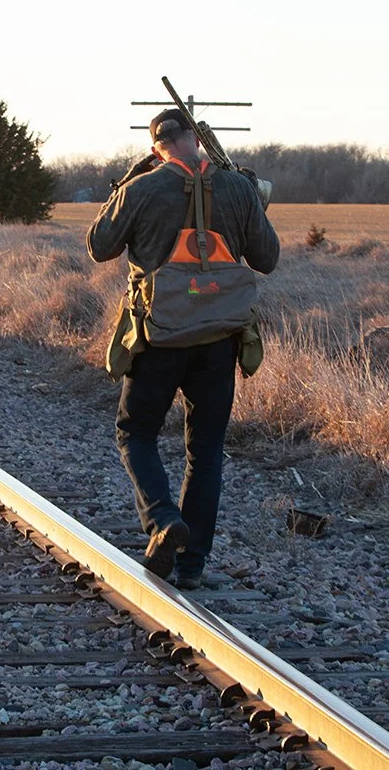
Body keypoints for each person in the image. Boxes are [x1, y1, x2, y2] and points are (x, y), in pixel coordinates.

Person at [86, 108, 279, 589]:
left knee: (135, 432)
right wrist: (252, 201)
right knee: (206, 450)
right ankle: (191, 567)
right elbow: (267, 259)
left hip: (159, 335)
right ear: (196, 139)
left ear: (158, 147)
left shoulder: (142, 188)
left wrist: (126, 184)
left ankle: (162, 519)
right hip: (220, 338)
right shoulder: (238, 188)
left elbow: (99, 245)